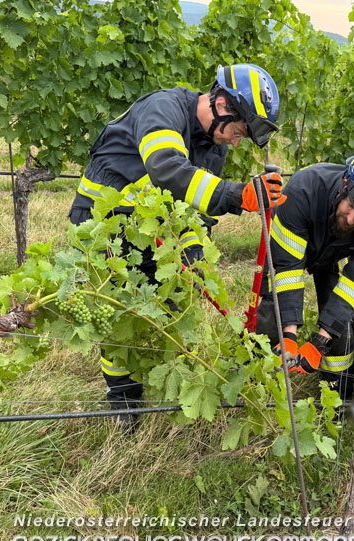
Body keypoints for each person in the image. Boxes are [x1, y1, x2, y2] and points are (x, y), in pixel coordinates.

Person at [68, 64, 284, 425]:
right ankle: (123, 402)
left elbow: (195, 210)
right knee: (118, 317)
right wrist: (235, 195)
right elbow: (166, 169)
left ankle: (153, 376)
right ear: (220, 104)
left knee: (165, 307)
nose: (235, 141)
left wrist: (195, 258)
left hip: (152, 228)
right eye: (237, 131)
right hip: (102, 224)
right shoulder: (163, 109)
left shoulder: (214, 146)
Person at [256, 148, 354, 399]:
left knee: (339, 324)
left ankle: (336, 398)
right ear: (346, 184)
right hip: (294, 248)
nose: (351, 220)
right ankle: (257, 387)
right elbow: (288, 270)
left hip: (331, 258)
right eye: (351, 206)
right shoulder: (303, 190)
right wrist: (289, 335)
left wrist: (320, 343)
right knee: (271, 313)